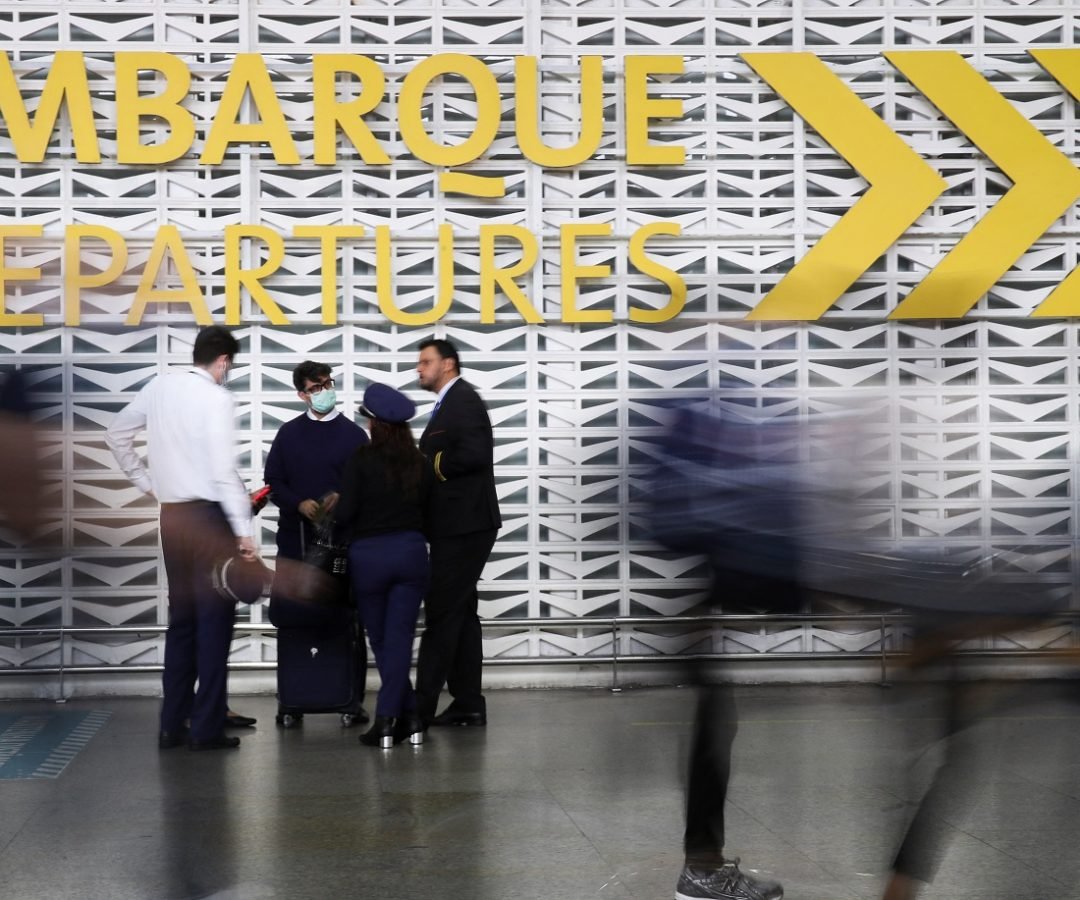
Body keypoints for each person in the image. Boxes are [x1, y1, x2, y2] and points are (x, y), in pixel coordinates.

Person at [106, 325, 255, 751]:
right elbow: (222, 472)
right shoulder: (216, 397)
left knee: (183, 623)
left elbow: (115, 434)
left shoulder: (159, 386)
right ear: (223, 360)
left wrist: (149, 484)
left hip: (172, 519)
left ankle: (172, 725)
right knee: (215, 625)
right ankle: (206, 729)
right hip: (209, 521)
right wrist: (244, 532)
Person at [263, 360, 371, 726]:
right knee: (295, 619)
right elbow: (274, 482)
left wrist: (345, 498)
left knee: (345, 621)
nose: (324, 392)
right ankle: (294, 698)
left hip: (341, 545)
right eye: (315, 388)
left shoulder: (354, 436)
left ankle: (349, 700)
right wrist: (298, 503)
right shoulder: (288, 434)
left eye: (327, 384)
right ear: (301, 395)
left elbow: (368, 485)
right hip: (296, 543)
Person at [335, 383, 432, 748]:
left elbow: (346, 513)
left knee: (381, 640)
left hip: (370, 558)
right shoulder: (420, 462)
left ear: (375, 423)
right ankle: (412, 717)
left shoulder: (361, 459)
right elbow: (432, 512)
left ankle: (387, 721)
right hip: (411, 554)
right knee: (400, 639)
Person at [414, 338, 501, 728]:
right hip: (458, 525)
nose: (419, 368)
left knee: (442, 613)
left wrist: (428, 466)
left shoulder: (463, 400)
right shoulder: (450, 402)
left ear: (447, 364)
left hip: (464, 526)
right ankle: (468, 703)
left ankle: (418, 711)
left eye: (426, 362)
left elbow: (474, 454)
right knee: (461, 615)